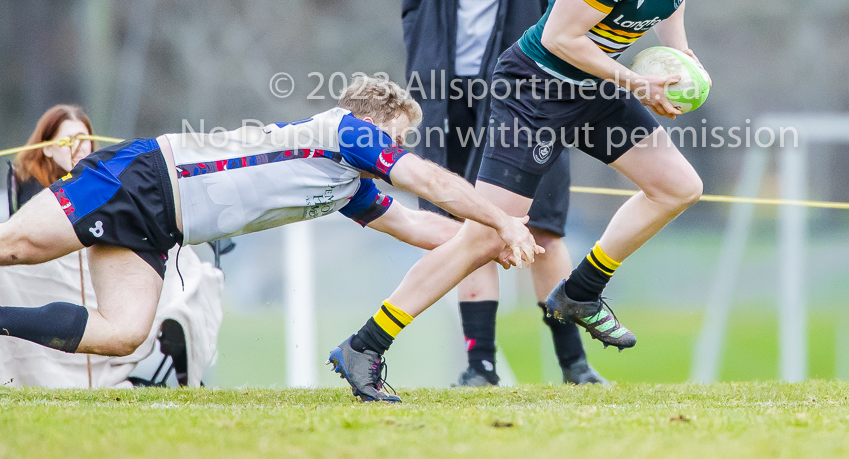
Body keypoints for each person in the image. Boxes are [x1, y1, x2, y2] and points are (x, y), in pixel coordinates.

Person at [331, 0, 718, 402]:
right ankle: (364, 346)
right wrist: (634, 82)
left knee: (679, 186)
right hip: (533, 89)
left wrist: (680, 62)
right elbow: (561, 39)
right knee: (485, 236)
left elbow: (671, 3)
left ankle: (581, 291)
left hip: (590, 84)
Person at [0, 75, 540, 401]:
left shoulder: (347, 183)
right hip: (145, 177)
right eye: (397, 138)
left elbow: (417, 224)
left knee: (122, 334)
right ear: (371, 124)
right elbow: (429, 181)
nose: (398, 149)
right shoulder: (346, 132)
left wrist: (485, 242)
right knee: (14, 248)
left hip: (161, 225)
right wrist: (502, 219)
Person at [402, 0, 602, 386]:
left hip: (529, 92)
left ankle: (574, 365)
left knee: (540, 225)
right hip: (450, 94)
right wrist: (424, 62)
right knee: (466, 225)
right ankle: (478, 366)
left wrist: (555, 69)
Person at [1, 105, 223, 388]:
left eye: (85, 139)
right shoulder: (29, 191)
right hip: (52, 285)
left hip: (108, 275)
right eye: (69, 140)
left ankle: (179, 326)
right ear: (47, 148)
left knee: (190, 268)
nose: (79, 147)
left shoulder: (100, 177)